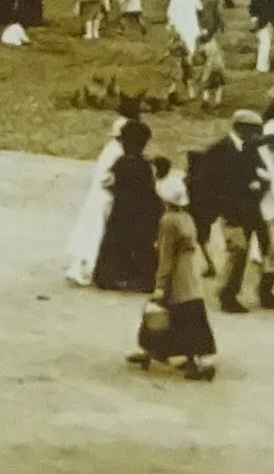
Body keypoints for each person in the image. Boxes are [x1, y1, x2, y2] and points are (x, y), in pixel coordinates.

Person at [130, 172, 216, 381]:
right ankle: (193, 358)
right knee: (191, 318)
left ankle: (156, 352)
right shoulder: (187, 218)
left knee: (162, 316)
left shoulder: (168, 221)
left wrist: (160, 284)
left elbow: (166, 256)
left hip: (176, 278)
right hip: (190, 276)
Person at [196, 110, 274, 314]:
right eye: (253, 130)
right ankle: (226, 294)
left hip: (250, 207)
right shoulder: (219, 150)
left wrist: (259, 183)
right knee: (238, 249)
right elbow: (208, 182)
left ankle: (242, 292)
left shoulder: (249, 148)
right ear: (240, 128)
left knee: (256, 248)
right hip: (230, 209)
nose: (257, 135)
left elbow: (260, 171)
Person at [93, 121, 162, 293]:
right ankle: (141, 278)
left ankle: (112, 276)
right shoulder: (145, 165)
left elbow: (110, 184)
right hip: (141, 212)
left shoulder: (122, 163)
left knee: (116, 243)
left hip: (123, 211)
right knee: (141, 245)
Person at [64, 112, 129, 285]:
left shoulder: (113, 149)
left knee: (90, 231)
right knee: (93, 231)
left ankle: (81, 267)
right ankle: (81, 268)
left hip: (99, 195)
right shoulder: (115, 152)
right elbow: (104, 177)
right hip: (102, 195)